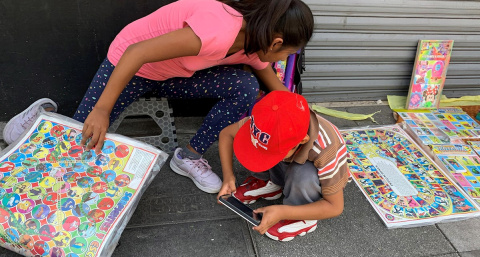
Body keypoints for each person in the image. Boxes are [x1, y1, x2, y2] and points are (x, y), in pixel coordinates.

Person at [2, 0, 314, 194]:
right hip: (129, 66)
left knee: (245, 87)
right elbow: (136, 52)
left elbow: (279, 92)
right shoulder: (218, 30)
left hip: (174, 76)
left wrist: (307, 123)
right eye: (288, 53)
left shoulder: (254, 45)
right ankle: (38, 118)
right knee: (76, 142)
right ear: (276, 42)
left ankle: (188, 156)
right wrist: (102, 109)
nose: (284, 58)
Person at [217, 91, 349, 241]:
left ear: (303, 140)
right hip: (288, 161)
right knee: (252, 147)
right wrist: (228, 177)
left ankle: (302, 215)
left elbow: (335, 206)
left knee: (302, 174)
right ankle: (271, 183)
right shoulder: (265, 121)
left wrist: (284, 212)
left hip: (313, 173)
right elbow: (226, 134)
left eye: (273, 153)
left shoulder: (327, 149)